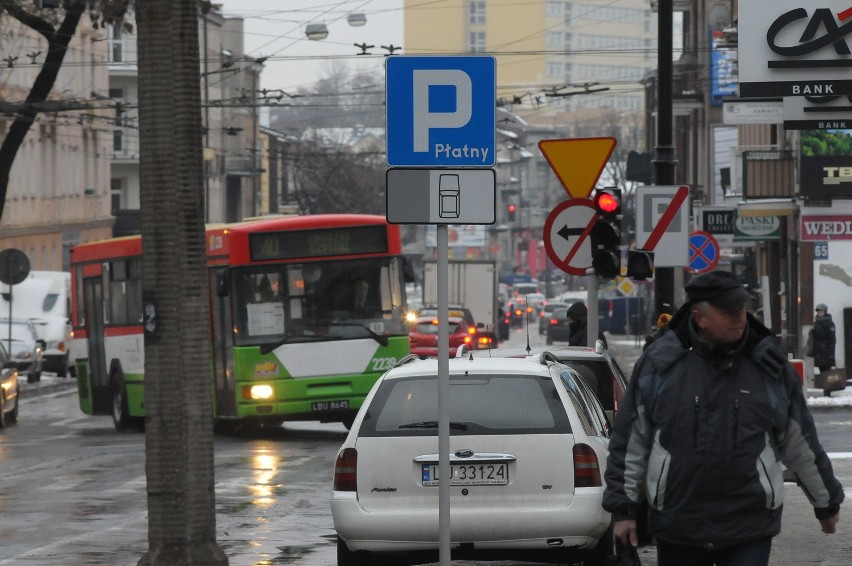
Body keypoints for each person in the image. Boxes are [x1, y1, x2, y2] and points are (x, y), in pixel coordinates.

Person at [603, 270, 843, 566]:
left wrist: (826, 501)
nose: (739, 317)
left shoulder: (767, 366)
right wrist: (623, 510)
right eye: (728, 312)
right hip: (678, 522)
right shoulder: (660, 365)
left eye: (741, 309)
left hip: (748, 524)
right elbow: (631, 442)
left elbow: (799, 439)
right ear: (699, 317)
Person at [812, 303, 836, 374]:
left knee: (827, 372)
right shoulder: (816, 323)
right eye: (818, 311)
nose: (819, 312)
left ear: (825, 311)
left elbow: (832, 340)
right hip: (818, 351)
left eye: (821, 311)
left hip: (826, 352)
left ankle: (827, 385)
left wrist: (831, 354)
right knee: (821, 371)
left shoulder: (829, 323)